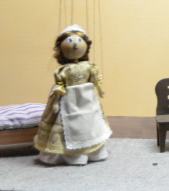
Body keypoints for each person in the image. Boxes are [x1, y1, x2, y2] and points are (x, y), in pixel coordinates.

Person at [33, 24, 111, 165]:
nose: (75, 44)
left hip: (87, 99)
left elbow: (95, 78)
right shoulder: (63, 70)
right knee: (67, 124)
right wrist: (57, 99)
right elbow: (60, 84)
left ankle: (93, 153)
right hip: (67, 99)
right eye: (70, 41)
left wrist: (99, 88)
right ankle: (72, 155)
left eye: (79, 41)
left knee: (89, 124)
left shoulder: (89, 66)